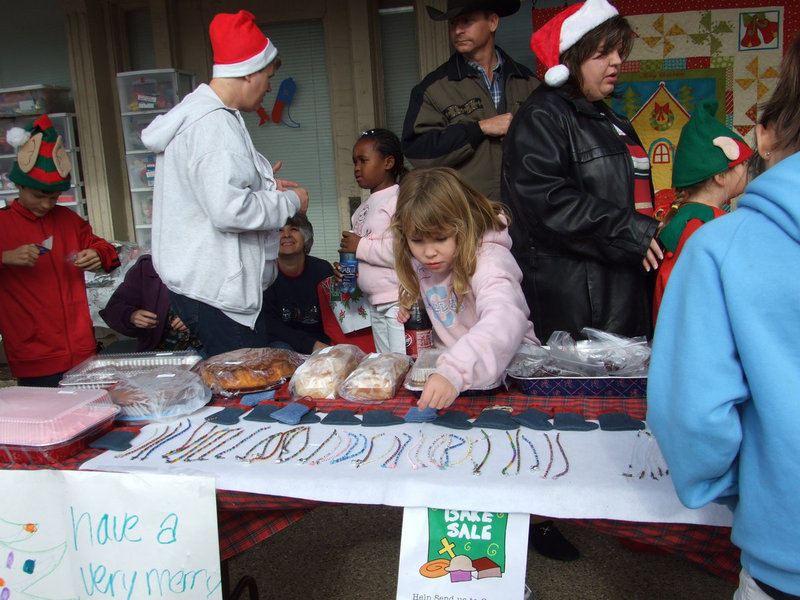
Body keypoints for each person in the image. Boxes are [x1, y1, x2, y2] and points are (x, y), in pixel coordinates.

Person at [647, 35, 800, 600]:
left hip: (787, 541)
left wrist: (751, 486)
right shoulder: (701, 234)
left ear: (766, 132)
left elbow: (694, 410)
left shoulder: (722, 245)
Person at [392, 167, 579, 562]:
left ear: (462, 225)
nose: (428, 252)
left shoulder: (490, 257)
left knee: (519, 457)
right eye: (417, 240)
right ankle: (472, 541)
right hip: (464, 372)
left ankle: (538, 524)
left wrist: (455, 369)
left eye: (440, 238)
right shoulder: (424, 255)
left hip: (510, 372)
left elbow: (503, 319)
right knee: (466, 456)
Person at [141, 10, 309, 357]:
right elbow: (230, 209)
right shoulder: (213, 125)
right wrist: (291, 202)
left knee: (237, 379)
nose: (269, 88)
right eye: (269, 76)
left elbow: (212, 193)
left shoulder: (204, 117)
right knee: (244, 390)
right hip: (217, 291)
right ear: (249, 72)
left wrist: (264, 186)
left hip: (205, 286)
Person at [501, 0, 662, 342]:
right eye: (603, 53)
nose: (617, 61)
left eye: (619, 51)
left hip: (619, 288)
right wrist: (630, 229)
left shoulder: (609, 117)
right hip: (580, 304)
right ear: (573, 57)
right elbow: (548, 204)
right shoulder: (542, 116)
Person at [0, 115, 120, 386]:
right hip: (33, 350)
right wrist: (5, 257)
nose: (45, 204)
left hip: (81, 347)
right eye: (38, 196)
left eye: (53, 198)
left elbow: (106, 250)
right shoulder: (3, 224)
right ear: (18, 186)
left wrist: (97, 255)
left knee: (90, 412)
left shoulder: (68, 220)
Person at [401, 0, 539, 200]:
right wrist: (478, 128)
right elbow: (417, 152)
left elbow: (551, 146)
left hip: (525, 214)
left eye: (466, 21)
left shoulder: (529, 82)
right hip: (467, 220)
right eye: (453, 23)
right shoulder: (433, 88)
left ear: (492, 22)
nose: (457, 30)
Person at [652, 99, 752, 322]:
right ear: (720, 175)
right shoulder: (705, 225)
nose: (747, 169)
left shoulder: (687, 218)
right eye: (743, 164)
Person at [339, 128, 405, 354]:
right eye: (354, 162)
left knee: (403, 364)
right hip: (374, 301)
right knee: (386, 366)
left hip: (399, 300)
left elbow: (404, 252)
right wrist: (349, 271)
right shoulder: (360, 211)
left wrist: (360, 246)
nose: (357, 168)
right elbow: (359, 254)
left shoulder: (400, 200)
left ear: (388, 162)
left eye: (363, 160)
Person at [99, 253, 202, 353]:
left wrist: (200, 318)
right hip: (159, 353)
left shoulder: (208, 267)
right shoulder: (147, 268)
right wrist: (131, 316)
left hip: (205, 352)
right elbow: (113, 310)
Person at [263, 214, 333, 354]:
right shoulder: (264, 275)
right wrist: (311, 345)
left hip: (321, 341)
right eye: (279, 230)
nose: (286, 235)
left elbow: (333, 316)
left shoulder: (322, 269)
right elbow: (270, 325)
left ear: (305, 236)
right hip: (282, 342)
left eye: (294, 229)